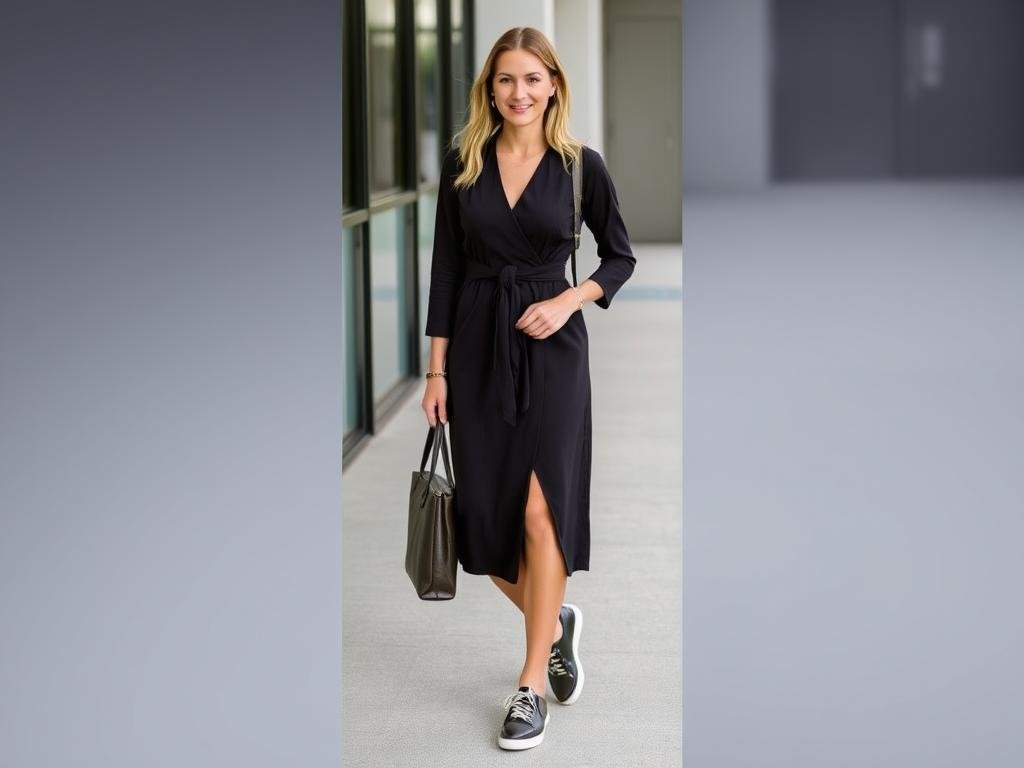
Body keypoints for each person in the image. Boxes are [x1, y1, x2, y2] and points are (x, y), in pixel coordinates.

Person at [421, 26, 635, 751]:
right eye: (507, 80)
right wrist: (436, 370)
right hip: (478, 347)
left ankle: (529, 686)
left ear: (554, 86)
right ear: (491, 88)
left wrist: (570, 299)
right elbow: (446, 269)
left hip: (553, 352)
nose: (520, 93)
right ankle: (555, 624)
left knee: (543, 514)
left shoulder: (581, 167)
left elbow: (620, 256)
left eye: (533, 79)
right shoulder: (465, 163)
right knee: (483, 528)